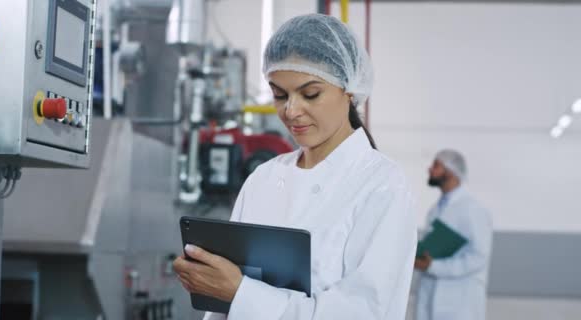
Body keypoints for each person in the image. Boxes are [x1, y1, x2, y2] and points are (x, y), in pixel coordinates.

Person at [173, 14, 417, 319]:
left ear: (349, 89)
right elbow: (222, 308)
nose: (291, 110)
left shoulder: (381, 185)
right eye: (279, 94)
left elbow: (363, 312)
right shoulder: (263, 178)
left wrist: (241, 293)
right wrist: (209, 279)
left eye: (310, 94)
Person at [414, 150, 493, 320]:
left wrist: (433, 266)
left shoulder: (473, 209)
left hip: (460, 301)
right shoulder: (435, 210)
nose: (430, 169)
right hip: (430, 296)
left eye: (436, 165)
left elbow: (478, 257)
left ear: (451, 171)